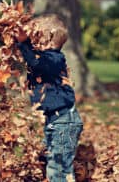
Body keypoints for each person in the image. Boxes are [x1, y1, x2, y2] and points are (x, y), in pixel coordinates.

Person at [17, 14, 83, 182]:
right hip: (55, 121)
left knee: (58, 168)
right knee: (52, 160)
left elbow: (36, 63)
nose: (33, 43)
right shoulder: (46, 59)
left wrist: (23, 43)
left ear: (49, 40)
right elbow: (33, 63)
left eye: (36, 38)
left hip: (64, 122)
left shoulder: (54, 58)